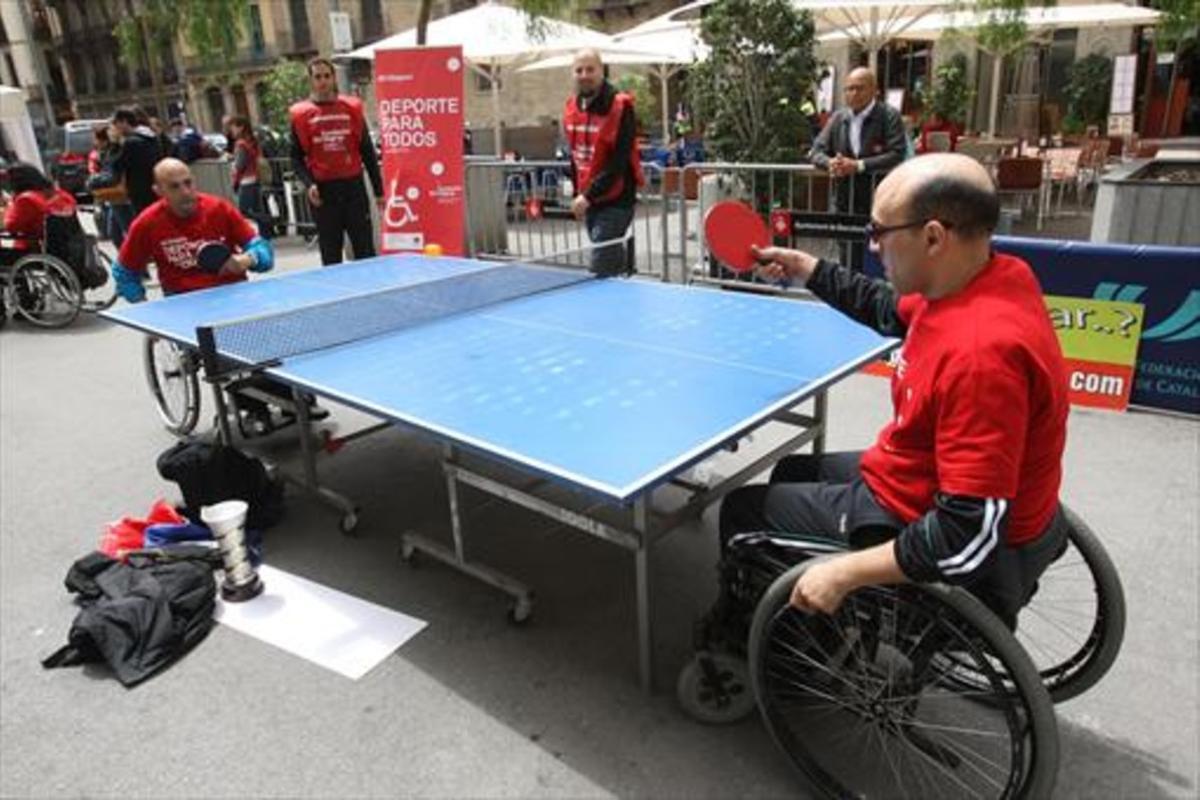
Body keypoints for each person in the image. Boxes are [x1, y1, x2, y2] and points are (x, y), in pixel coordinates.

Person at [721, 154, 1070, 629]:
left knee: (740, 511)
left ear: (932, 237)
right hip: (917, 471)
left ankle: (770, 649)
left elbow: (966, 534)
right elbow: (886, 309)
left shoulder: (981, 355)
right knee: (791, 468)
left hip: (925, 514)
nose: (873, 245)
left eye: (880, 232)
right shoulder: (983, 279)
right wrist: (806, 267)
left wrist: (846, 573)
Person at [110, 158, 272, 301]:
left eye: (188, 183)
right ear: (158, 191)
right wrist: (144, 309)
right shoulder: (146, 223)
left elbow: (263, 250)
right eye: (174, 187)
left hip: (233, 295)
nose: (185, 192)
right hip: (182, 303)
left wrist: (249, 259)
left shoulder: (220, 208)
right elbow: (124, 272)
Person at [289, 56, 383, 266]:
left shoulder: (352, 108)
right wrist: (309, 184)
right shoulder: (300, 114)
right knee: (331, 254)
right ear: (311, 81)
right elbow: (295, 157)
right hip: (323, 193)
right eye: (318, 77)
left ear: (333, 78)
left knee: (365, 249)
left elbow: (367, 151)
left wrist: (379, 191)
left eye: (326, 76)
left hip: (354, 189)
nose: (323, 81)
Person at [809, 68, 907, 270]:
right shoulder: (838, 118)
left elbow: (897, 153)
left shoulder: (888, 116)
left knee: (881, 256)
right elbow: (815, 151)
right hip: (846, 200)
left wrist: (859, 166)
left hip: (879, 199)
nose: (853, 93)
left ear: (874, 90)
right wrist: (830, 163)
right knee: (848, 255)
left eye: (859, 88)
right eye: (849, 89)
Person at [563, 48, 644, 277]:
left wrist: (586, 196)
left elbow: (618, 162)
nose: (584, 74)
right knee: (610, 258)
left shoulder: (620, 106)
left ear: (602, 71)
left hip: (616, 198)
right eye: (579, 70)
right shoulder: (571, 107)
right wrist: (577, 194)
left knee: (599, 268)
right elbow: (574, 156)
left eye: (590, 69)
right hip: (590, 199)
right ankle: (627, 279)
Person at [0, 162, 77, 265]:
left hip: (36, 251)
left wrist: (11, 204)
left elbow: (10, 225)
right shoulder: (61, 195)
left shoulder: (26, 199)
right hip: (68, 249)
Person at [109, 107, 168, 216]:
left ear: (124, 122)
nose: (115, 128)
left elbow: (115, 166)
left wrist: (115, 144)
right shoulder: (151, 137)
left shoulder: (131, 143)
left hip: (139, 192)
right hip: (155, 187)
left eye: (116, 124)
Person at [229, 115, 273, 239]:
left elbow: (240, 164)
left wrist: (234, 165)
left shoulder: (241, 144)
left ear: (241, 127)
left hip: (246, 180)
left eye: (233, 127)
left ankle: (267, 221)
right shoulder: (251, 141)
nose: (231, 131)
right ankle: (266, 231)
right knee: (256, 208)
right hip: (255, 177)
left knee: (244, 210)